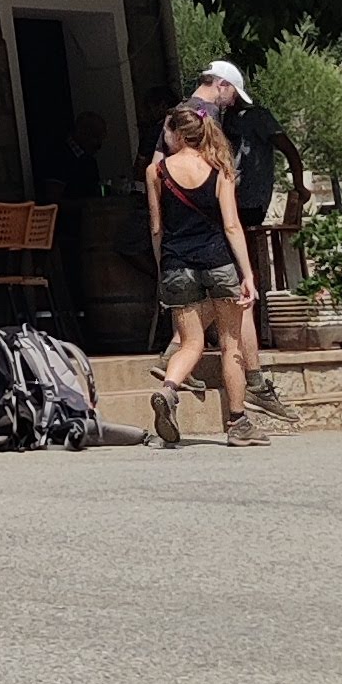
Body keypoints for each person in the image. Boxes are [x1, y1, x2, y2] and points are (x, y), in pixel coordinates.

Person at [185, 59, 304, 425]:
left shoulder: (234, 117)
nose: (233, 100)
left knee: (234, 288)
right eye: (232, 92)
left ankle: (183, 353)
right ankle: (243, 379)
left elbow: (288, 148)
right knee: (237, 289)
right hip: (230, 205)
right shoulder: (208, 116)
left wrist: (299, 181)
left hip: (241, 203)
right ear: (222, 86)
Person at [147, 100, 262, 447]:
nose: (165, 138)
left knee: (190, 342)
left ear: (179, 135)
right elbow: (231, 225)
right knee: (230, 343)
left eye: (167, 132)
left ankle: (168, 390)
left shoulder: (156, 172)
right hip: (218, 262)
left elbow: (156, 228)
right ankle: (238, 423)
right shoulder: (220, 168)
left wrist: (163, 266)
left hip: (177, 265)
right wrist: (247, 274)